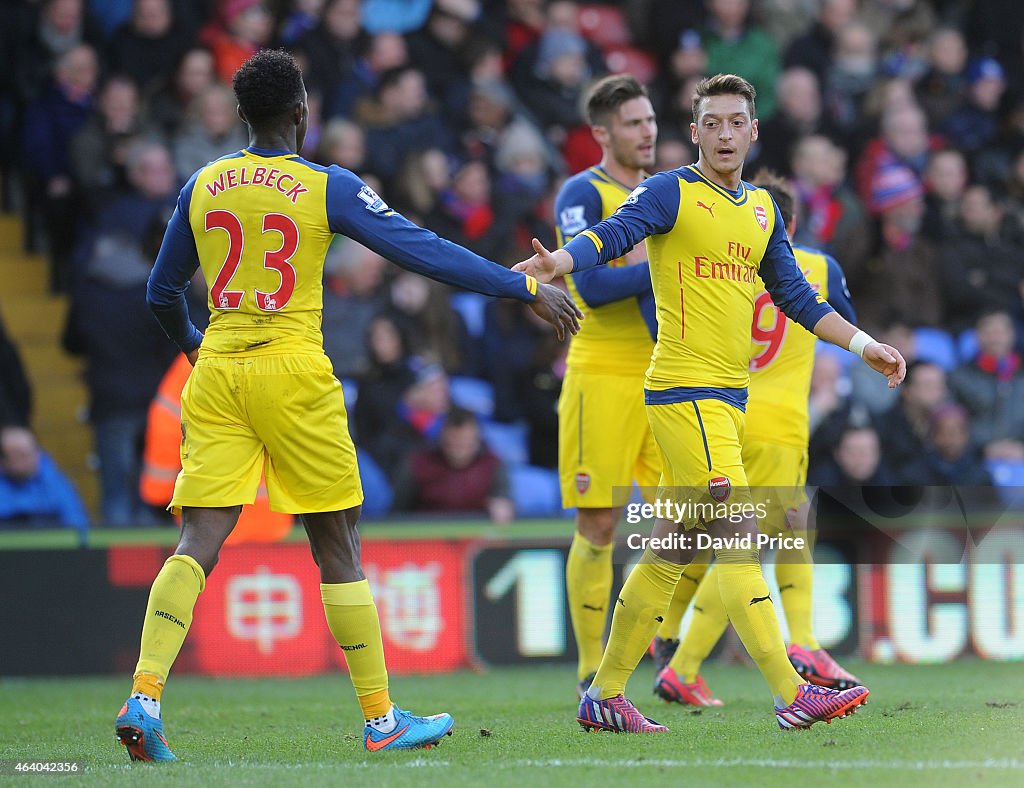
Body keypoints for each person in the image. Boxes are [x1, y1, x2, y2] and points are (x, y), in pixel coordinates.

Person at [115, 49, 581, 762]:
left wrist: (197, 349)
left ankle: (144, 695)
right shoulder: (324, 186)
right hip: (294, 373)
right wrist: (523, 290)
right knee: (337, 544)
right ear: (302, 113)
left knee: (199, 537)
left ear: (242, 115)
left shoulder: (203, 184)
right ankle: (380, 718)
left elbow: (158, 293)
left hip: (218, 374)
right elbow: (421, 250)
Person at [514, 73, 905, 733]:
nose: (725, 134)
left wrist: (864, 345)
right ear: (694, 132)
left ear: (754, 131)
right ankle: (791, 691)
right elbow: (614, 234)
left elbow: (800, 299)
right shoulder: (670, 190)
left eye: (736, 122)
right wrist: (561, 264)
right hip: (683, 390)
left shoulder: (761, 210)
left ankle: (605, 694)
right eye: (712, 122)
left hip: (729, 397)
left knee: (670, 546)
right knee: (740, 535)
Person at [650, 172, 863, 707]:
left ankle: (799, 641)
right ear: (789, 227)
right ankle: (685, 663)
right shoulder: (816, 267)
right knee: (747, 548)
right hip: (777, 428)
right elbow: (843, 320)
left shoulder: (721, 264)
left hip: (717, 412)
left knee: (698, 533)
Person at [551, 74, 661, 697]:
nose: (647, 131)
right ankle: (592, 668)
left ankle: (668, 652)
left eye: (650, 120)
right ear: (602, 132)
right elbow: (589, 286)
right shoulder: (582, 193)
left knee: (692, 516)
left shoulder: (668, 191)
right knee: (599, 523)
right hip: (603, 373)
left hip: (665, 375)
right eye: (634, 122)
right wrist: (657, 269)